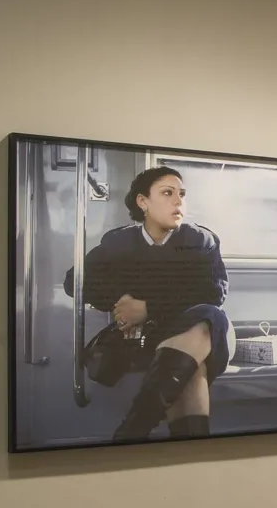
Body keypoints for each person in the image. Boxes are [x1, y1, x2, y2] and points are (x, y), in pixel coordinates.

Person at [65, 167, 230, 442]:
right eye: (167, 193)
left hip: (207, 334)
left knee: (207, 316)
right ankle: (187, 455)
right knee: (191, 373)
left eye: (182, 195)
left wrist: (149, 307)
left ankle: (135, 427)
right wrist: (122, 302)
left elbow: (213, 293)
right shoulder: (120, 242)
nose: (178, 201)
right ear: (143, 202)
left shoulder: (200, 240)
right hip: (151, 340)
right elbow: (75, 281)